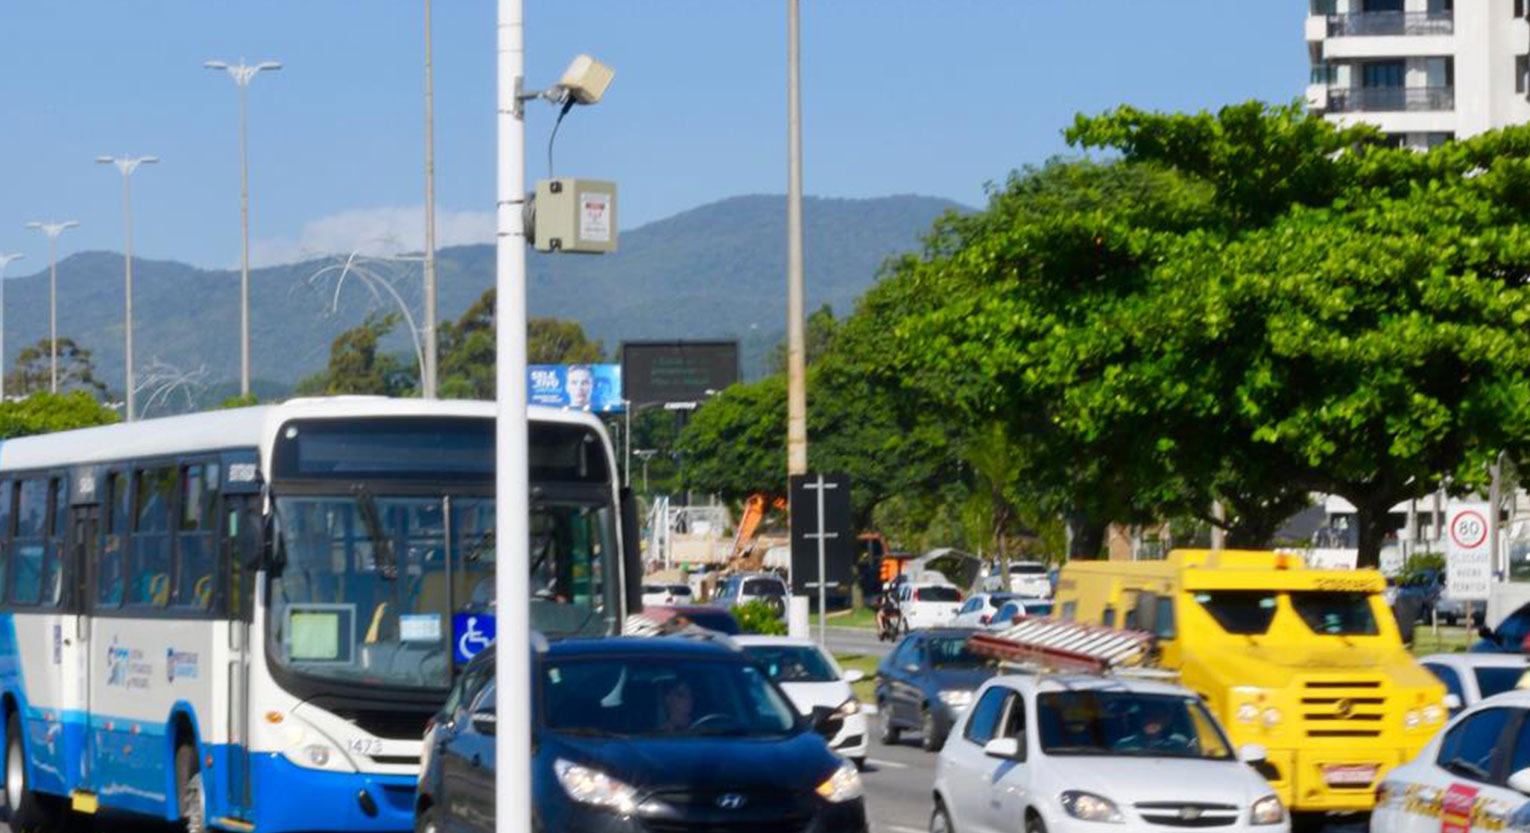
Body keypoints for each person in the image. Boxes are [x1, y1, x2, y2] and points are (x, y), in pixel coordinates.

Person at [1116, 700, 1191, 752]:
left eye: (1157, 716)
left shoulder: (1179, 743)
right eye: (1147, 716)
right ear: (1141, 719)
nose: (1151, 720)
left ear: (1167, 719)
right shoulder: (1124, 744)